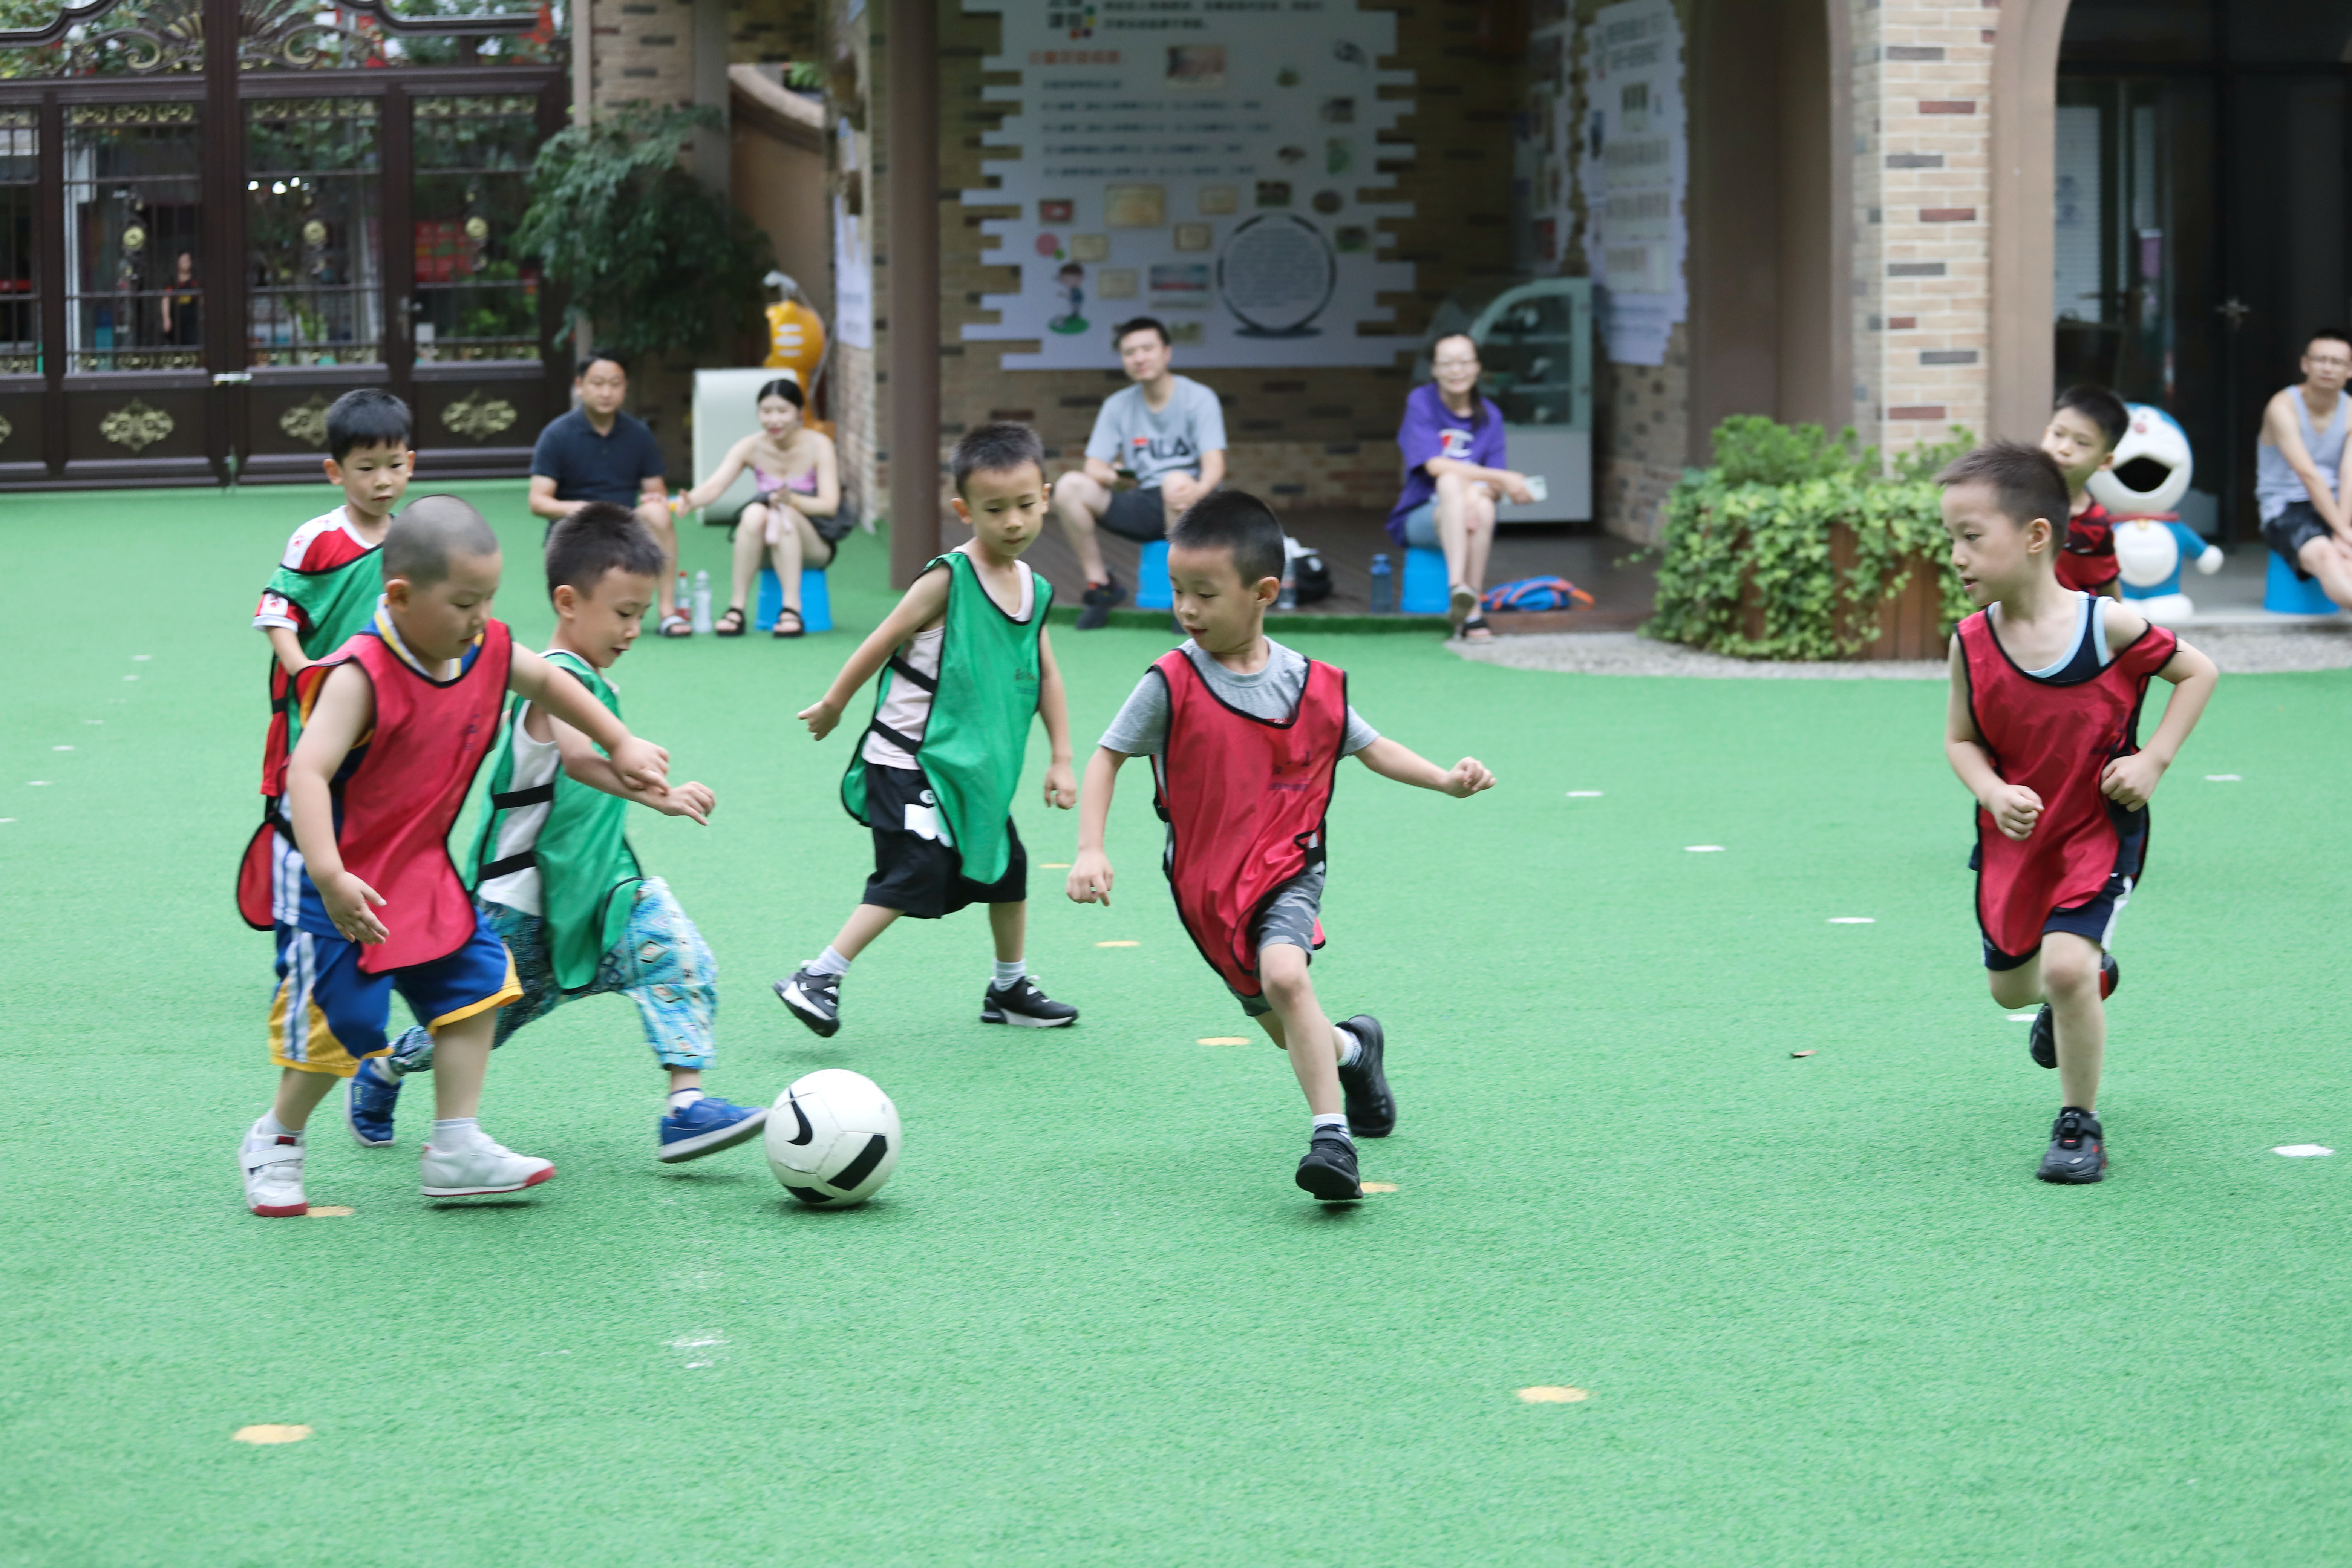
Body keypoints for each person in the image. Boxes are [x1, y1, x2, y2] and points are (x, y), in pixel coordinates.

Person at [238, 495, 674, 1217]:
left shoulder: (484, 649)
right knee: (340, 1023)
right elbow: (306, 773)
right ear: (400, 597)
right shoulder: (360, 674)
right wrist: (330, 874)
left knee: (476, 987)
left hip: (416, 864)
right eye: (465, 603)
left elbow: (549, 682)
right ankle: (277, 1138)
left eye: (490, 600)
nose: (481, 619)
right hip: (334, 873)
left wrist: (619, 741)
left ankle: (455, 1148)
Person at [1066, 490, 1496, 1201]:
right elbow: (1108, 756)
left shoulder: (1308, 684)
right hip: (1207, 889)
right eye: (1178, 590)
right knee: (1285, 1025)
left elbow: (1371, 746)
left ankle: (1332, 1141)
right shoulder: (1170, 682)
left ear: (1264, 592)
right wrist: (1090, 847)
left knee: (1287, 978)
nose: (1186, 609)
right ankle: (1355, 1051)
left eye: (1205, 593)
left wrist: (1445, 781)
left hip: (1289, 864)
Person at [344, 504, 767, 1164]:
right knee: (473, 1023)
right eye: (623, 613)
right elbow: (576, 757)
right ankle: (386, 1067)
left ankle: (685, 1107)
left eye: (642, 613)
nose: (634, 629)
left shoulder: (590, 682)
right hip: (524, 901)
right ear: (568, 602)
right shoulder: (558, 677)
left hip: (602, 889)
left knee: (678, 953)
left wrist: (656, 793)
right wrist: (654, 789)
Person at [1939, 442, 2217, 1186]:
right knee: (2012, 987)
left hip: (2097, 830)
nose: (1957, 555)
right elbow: (1961, 741)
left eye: (1972, 537)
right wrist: (1993, 793)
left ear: (2036, 535)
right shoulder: (1970, 642)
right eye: (1951, 538)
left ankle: (2078, 1123)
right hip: (2014, 841)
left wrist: (2153, 760)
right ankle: (2087, 980)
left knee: (2064, 968)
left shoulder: (2109, 626)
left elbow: (2199, 672)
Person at [776, 422, 1081, 1037]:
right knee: (916, 870)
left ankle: (1009, 988)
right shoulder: (949, 579)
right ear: (965, 510)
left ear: (1045, 498)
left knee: (1008, 869)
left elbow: (1046, 672)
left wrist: (1062, 756)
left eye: (1025, 505)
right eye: (995, 510)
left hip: (971, 769)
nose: (1014, 521)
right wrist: (836, 703)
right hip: (909, 760)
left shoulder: (1036, 589)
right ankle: (819, 975)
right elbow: (883, 638)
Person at [235, 388, 416, 935]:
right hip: (317, 716)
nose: (382, 481)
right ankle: (306, 928)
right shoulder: (316, 539)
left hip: (387, 719)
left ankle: (376, 933)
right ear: (335, 472)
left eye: (394, 465)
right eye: (366, 468)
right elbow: (278, 613)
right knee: (315, 822)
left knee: (380, 824)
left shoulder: (415, 541)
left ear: (411, 464)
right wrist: (305, 674)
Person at [1051, 317, 1228, 629]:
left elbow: (1215, 466)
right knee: (1069, 486)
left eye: (1147, 349)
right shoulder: (1117, 405)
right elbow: (1094, 466)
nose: (1139, 358)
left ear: (1167, 352)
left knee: (1175, 482)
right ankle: (1102, 586)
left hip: (1195, 506)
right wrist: (1114, 479)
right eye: (1130, 352)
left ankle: (1187, 596)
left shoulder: (1199, 398)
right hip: (1144, 500)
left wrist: (1196, 492)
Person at [1387, 333, 1536, 641]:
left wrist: (1476, 495)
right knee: (1449, 479)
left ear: (1478, 367)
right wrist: (1504, 478)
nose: (1457, 371)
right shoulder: (1421, 402)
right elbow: (1434, 466)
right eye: (1448, 364)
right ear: (1435, 370)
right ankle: (1459, 588)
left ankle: (1471, 608)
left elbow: (1492, 489)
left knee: (1484, 505)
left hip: (1470, 516)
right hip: (1422, 516)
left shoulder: (1490, 416)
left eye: (1465, 362)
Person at [672, 377, 846, 638]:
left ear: (800, 413)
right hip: (765, 545)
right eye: (766, 411)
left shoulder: (819, 445)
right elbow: (714, 487)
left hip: (814, 545)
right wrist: (691, 500)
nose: (774, 420)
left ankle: (791, 607)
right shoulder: (750, 446)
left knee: (782, 514)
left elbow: (830, 506)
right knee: (754, 512)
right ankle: (737, 607)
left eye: (783, 411)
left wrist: (792, 501)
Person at [529, 351, 683, 635]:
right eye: (598, 383)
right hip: (577, 529)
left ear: (625, 388)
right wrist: (583, 509)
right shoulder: (556, 434)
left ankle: (667, 612)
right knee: (585, 617)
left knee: (658, 514)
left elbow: (656, 493)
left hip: (625, 529)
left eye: (615, 384)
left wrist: (656, 500)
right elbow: (538, 502)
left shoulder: (639, 434)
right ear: (580, 386)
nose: (606, 393)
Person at [2256, 327, 2352, 608]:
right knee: (2326, 556)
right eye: (2321, 359)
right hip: (2286, 507)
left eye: (2337, 362)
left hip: (2337, 506)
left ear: (2350, 370)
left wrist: (2342, 529)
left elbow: (2349, 474)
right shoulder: (2283, 406)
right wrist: (2343, 532)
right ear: (2305, 364)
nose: (2328, 368)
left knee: (2346, 556)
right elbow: (2307, 474)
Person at [2040, 383, 2127, 600]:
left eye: (2082, 443)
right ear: (2047, 434)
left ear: (2105, 461)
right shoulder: (2014, 498)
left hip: (2074, 619)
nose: (2064, 449)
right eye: (2058, 434)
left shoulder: (2096, 524)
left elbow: (2108, 586)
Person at [159, 251, 199, 347]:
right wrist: (166, 319)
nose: (186, 263)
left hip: (192, 318)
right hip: (176, 317)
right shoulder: (172, 281)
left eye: (187, 261)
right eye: (183, 261)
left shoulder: (195, 280)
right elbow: (166, 299)